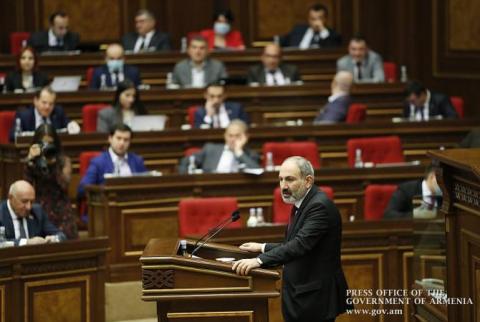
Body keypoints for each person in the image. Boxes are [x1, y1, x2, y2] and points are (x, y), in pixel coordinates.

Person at [232, 156, 351, 322]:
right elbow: (295, 244)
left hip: (314, 299)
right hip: (304, 295)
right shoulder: (303, 202)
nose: (283, 186)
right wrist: (262, 247)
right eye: (281, 180)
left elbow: (299, 245)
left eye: (289, 180)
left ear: (308, 181)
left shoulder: (319, 206)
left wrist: (259, 261)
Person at [24, 124, 78, 239]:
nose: (47, 146)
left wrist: (53, 165)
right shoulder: (33, 161)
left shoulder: (63, 160)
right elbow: (26, 186)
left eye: (50, 143)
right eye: (43, 143)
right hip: (39, 207)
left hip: (61, 208)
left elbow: (64, 185)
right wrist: (30, 162)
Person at [77, 124, 147, 198]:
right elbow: (82, 189)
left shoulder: (137, 161)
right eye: (118, 138)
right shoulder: (98, 162)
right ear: (110, 138)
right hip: (108, 205)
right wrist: (104, 190)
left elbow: (146, 185)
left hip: (133, 204)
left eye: (126, 140)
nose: (122, 143)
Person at [178, 120, 259, 174]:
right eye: (230, 135)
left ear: (246, 137)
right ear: (225, 136)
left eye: (237, 136)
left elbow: (257, 171)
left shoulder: (251, 155)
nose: (233, 139)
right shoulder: (210, 149)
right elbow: (185, 162)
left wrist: (239, 152)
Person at [0, 180, 66, 246]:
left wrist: (53, 239)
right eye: (24, 201)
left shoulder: (37, 212)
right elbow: (1, 243)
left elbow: (61, 236)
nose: (29, 207)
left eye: (31, 202)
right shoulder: (1, 213)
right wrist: (27, 242)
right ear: (11, 198)